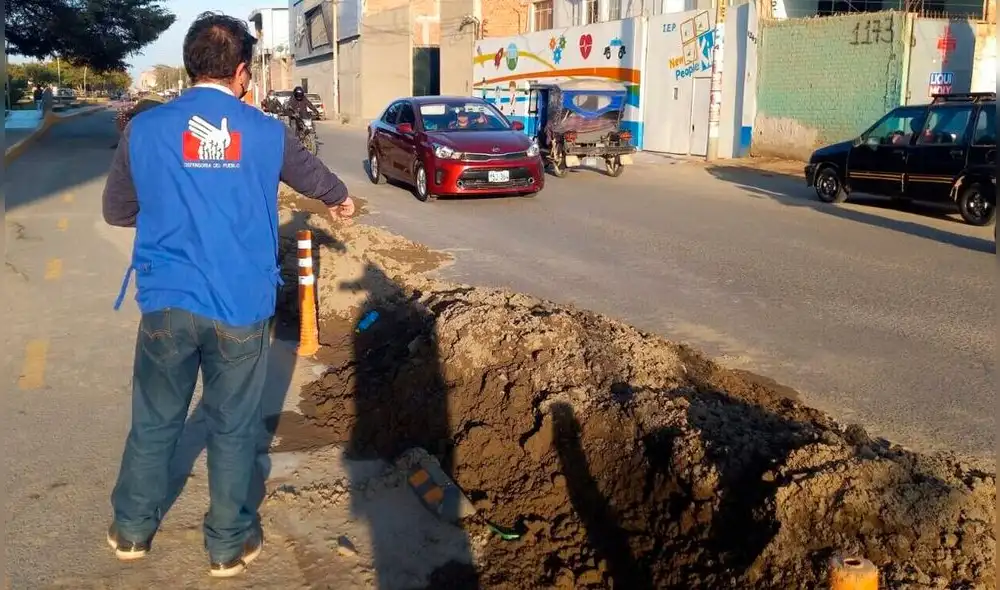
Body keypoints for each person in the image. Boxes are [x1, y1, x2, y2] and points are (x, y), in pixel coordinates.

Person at [101, 11, 354, 578]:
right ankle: (226, 544)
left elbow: (117, 212)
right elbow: (314, 177)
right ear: (241, 72)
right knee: (233, 426)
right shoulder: (264, 132)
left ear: (191, 67)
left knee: (155, 420)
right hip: (241, 308)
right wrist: (340, 200)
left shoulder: (144, 130)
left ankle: (132, 530)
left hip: (167, 303)